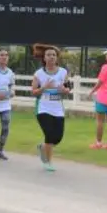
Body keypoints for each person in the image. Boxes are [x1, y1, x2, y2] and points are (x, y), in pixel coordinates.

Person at [30, 43, 70, 172]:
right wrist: (44, 87)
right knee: (49, 134)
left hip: (58, 109)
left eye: (53, 55)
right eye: (48, 55)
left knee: (57, 138)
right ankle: (48, 162)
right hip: (43, 108)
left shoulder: (63, 72)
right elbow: (33, 92)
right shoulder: (39, 74)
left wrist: (64, 90)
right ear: (44, 58)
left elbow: (67, 89)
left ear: (56, 57)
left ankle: (42, 147)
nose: (51, 57)